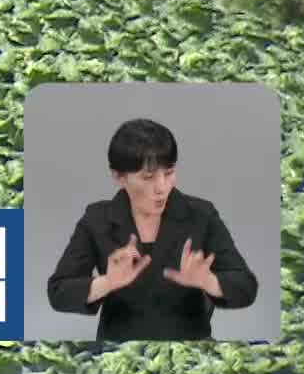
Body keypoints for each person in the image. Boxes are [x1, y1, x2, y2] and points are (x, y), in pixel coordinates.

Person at [45, 117, 259, 340]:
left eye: (169, 173)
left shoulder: (201, 215)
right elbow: (59, 292)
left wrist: (209, 282)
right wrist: (107, 283)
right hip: (119, 354)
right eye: (148, 177)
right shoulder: (96, 219)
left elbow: (246, 286)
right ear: (119, 177)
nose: (161, 188)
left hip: (189, 353)